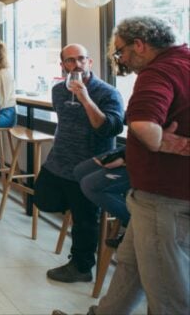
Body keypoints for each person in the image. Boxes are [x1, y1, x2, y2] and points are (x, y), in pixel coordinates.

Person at [86, 16, 189, 315]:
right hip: (159, 194)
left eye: (121, 52)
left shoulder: (158, 73)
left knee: (167, 293)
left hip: (163, 195)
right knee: (131, 267)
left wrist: (165, 143)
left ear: (140, 45)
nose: (122, 60)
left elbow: (143, 125)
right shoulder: (184, 61)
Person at [34, 43, 124, 283]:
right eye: (71, 60)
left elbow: (109, 129)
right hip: (59, 160)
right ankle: (76, 212)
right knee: (42, 199)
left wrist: (85, 98)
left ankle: (82, 266)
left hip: (90, 165)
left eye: (82, 59)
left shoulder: (108, 93)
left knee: (86, 219)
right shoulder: (58, 91)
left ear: (90, 62)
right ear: (62, 65)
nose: (77, 65)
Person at [72, 146, 130, 246]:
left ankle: (138, 222)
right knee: (80, 171)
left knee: (89, 185)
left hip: (151, 156)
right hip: (133, 148)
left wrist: (126, 158)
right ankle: (86, 236)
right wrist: (123, 155)